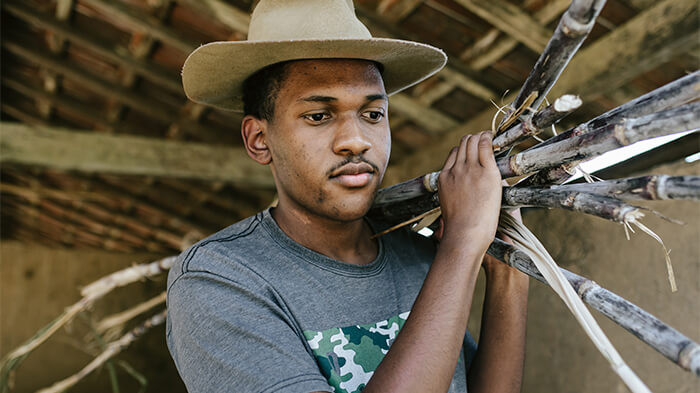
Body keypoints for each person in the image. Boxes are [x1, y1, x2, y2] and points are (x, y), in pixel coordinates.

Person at [166, 0, 529, 392]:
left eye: (373, 115)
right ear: (259, 139)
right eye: (319, 116)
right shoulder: (220, 280)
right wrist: (461, 247)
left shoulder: (418, 258)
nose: (356, 141)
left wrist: (508, 275)